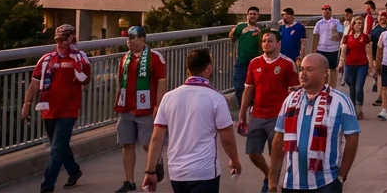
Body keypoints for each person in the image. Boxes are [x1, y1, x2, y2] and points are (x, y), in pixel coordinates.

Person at [143, 48, 242, 193]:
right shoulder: (215, 98)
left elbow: (157, 138)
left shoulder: (169, 97)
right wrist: (235, 160)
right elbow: (227, 137)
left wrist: (150, 171)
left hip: (177, 173)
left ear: (188, 69)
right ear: (208, 69)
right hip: (205, 173)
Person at [267, 54, 359, 193]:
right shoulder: (291, 100)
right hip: (292, 183)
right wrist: (272, 179)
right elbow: (279, 138)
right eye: (301, 69)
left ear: (324, 73)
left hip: (326, 182)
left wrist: (341, 176)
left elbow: (352, 138)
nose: (303, 74)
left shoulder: (340, 101)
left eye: (309, 70)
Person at [22, 24, 92, 193]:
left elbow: (86, 79)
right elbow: (34, 83)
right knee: (59, 145)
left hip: (69, 109)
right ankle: (74, 171)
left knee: (56, 150)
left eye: (64, 39)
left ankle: (47, 187)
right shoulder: (47, 59)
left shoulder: (79, 57)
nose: (61, 43)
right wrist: (27, 104)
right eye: (58, 40)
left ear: (71, 38)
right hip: (49, 108)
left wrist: (75, 67)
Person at [238, 29, 300, 190]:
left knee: (276, 156)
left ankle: (271, 186)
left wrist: (292, 117)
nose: (266, 44)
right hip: (257, 115)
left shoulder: (287, 64)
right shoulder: (254, 63)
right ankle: (268, 175)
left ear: (278, 44)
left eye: (270, 41)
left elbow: (294, 92)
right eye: (264, 41)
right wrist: (242, 114)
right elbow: (249, 89)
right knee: (252, 152)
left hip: (278, 117)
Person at [115, 26, 168, 193]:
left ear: (143, 39)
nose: (129, 41)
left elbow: (161, 81)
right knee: (127, 143)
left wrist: (159, 105)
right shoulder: (125, 58)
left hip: (146, 108)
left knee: (147, 145)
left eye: (133, 37)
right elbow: (119, 82)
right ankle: (129, 181)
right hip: (126, 109)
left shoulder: (155, 57)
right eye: (128, 38)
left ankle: (154, 166)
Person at [337, 17, 370, 120]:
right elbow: (343, 52)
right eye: (356, 23)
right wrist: (341, 64)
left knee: (358, 87)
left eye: (360, 23)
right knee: (350, 84)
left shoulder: (365, 37)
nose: (358, 25)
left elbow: (368, 52)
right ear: (353, 24)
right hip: (349, 64)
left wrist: (371, 66)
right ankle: (352, 107)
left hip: (362, 64)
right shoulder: (347, 37)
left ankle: (359, 110)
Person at [231, 7, 264, 103]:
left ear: (258, 16)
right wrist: (235, 31)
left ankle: (252, 106)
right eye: (250, 14)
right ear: (247, 15)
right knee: (238, 85)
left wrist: (260, 34)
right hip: (242, 60)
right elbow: (232, 39)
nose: (252, 16)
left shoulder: (261, 29)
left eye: (254, 14)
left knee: (255, 85)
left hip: (256, 61)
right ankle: (242, 107)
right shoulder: (241, 27)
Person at [312, 4, 344, 69]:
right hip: (321, 49)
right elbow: (316, 36)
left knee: (332, 69)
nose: (327, 11)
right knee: (320, 68)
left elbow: (342, 33)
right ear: (322, 11)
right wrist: (314, 50)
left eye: (329, 9)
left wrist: (337, 33)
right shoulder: (319, 23)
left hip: (333, 50)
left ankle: (332, 79)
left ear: (331, 11)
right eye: (325, 9)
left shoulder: (336, 22)